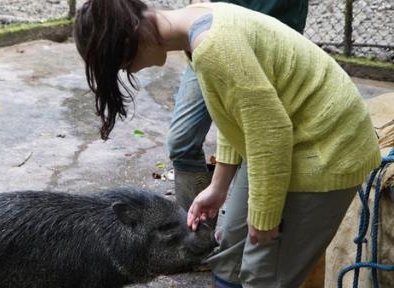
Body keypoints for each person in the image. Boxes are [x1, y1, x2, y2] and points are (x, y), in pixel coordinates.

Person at [73, 1, 381, 287]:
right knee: (230, 254)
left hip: (326, 148)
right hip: (288, 136)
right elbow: (236, 118)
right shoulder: (192, 27)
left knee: (264, 273)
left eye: (122, 63)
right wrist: (218, 187)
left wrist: (265, 216)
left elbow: (269, 135)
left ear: (131, 40)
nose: (128, 71)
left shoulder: (214, 47)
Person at [168, 0, 309, 215]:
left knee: (254, 142)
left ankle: (253, 222)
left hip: (268, 36)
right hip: (212, 31)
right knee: (182, 141)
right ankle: (194, 237)